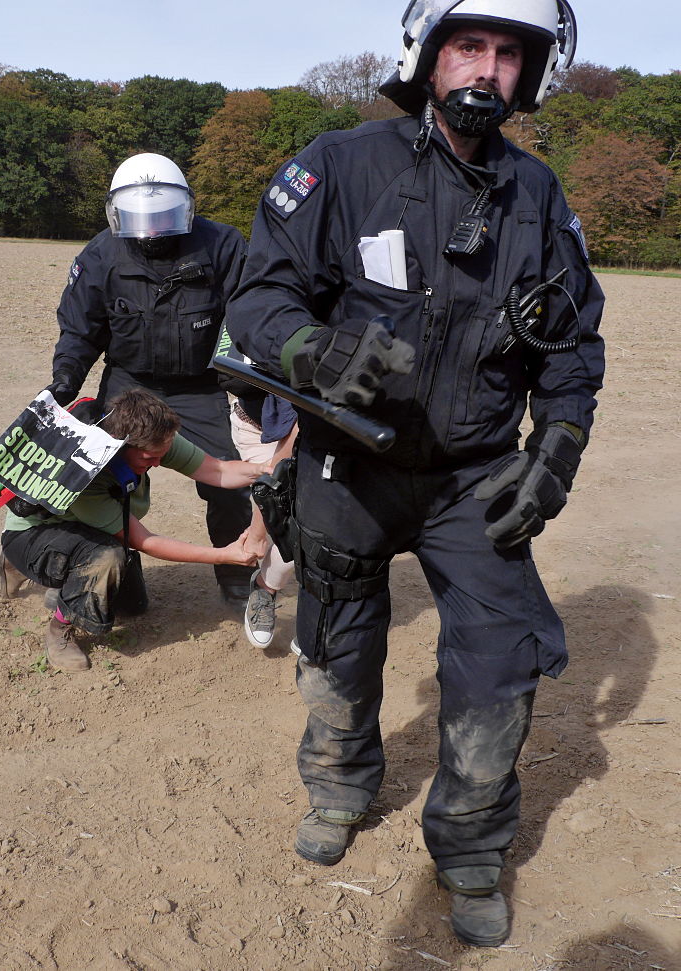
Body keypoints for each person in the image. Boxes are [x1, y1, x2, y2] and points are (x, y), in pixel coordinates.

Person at [225, 0, 604, 949]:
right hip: (348, 458)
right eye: (469, 46)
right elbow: (261, 295)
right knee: (339, 635)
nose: (487, 69)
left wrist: (555, 448)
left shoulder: (540, 196)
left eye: (509, 54)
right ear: (428, 57)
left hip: (475, 473)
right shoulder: (341, 164)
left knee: (498, 663)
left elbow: (572, 343)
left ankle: (472, 847)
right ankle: (341, 784)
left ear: (533, 73)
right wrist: (312, 349)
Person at [46, 152, 253, 606]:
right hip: (130, 383)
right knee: (108, 477)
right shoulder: (101, 254)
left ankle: (237, 571)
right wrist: (63, 381)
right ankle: (112, 574)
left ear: (186, 208)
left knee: (226, 481)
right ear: (117, 213)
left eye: (163, 217)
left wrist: (240, 377)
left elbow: (244, 317)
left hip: (204, 385)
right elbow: (81, 331)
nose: (153, 229)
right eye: (141, 218)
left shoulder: (223, 245)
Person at [0, 389, 270, 672]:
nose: (157, 463)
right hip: (34, 535)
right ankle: (59, 628)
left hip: (87, 532)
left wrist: (266, 469)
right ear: (118, 446)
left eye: (161, 455)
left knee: (133, 606)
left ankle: (65, 579)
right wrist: (225, 555)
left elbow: (217, 471)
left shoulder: (153, 441)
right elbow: (145, 541)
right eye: (148, 459)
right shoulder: (90, 475)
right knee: (106, 558)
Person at [229, 392, 298, 647]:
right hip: (260, 429)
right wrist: (257, 535)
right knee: (290, 522)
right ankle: (264, 587)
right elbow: (274, 479)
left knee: (326, 526)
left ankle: (320, 617)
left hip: (325, 438)